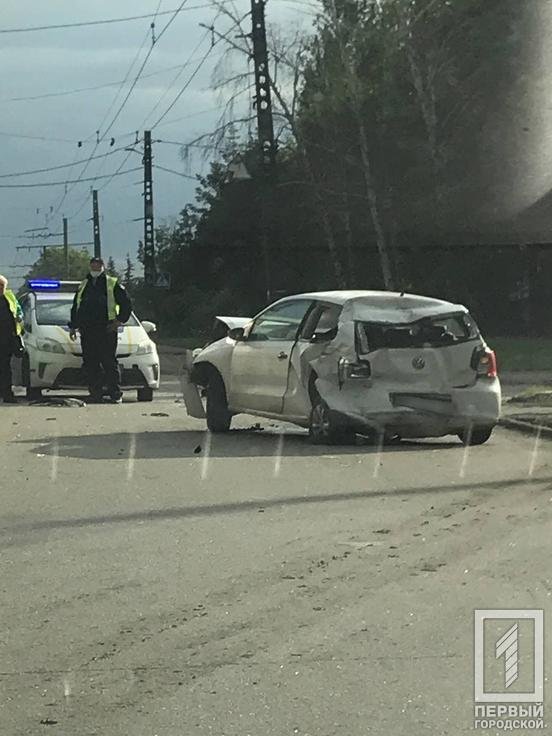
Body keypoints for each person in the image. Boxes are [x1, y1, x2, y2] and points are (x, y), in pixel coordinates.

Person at [69, 258, 132, 404]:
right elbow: (76, 307)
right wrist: (73, 326)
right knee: (91, 363)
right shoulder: (84, 284)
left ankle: (115, 394)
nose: (95, 269)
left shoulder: (111, 283)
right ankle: (95, 393)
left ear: (103, 267)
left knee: (109, 362)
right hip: (87, 330)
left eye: (98, 266)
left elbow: (126, 304)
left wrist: (119, 321)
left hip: (106, 330)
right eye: (92, 266)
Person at [0, 274, 24, 404]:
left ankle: (7, 394)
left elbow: (18, 310)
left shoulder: (9, 297)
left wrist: (19, 317)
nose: (0, 288)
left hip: (7, 339)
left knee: (5, 368)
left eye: (2, 285)